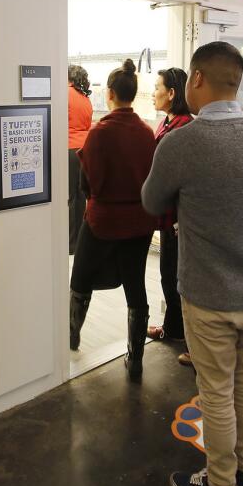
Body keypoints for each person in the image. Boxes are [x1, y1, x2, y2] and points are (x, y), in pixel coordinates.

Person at [142, 41, 243, 486]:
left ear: (197, 80)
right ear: (238, 82)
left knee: (216, 391)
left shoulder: (181, 142)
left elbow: (150, 200)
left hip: (211, 295)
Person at [68, 59, 157, 380]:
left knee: (80, 278)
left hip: (103, 220)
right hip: (139, 221)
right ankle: (135, 358)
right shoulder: (148, 133)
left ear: (109, 94)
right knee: (136, 287)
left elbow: (86, 183)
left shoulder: (100, 133)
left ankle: (72, 336)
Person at [146, 67, 193, 345]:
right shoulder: (167, 123)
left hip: (178, 221)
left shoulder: (185, 126)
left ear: (172, 93)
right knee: (167, 275)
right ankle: (173, 329)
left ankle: (183, 334)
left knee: (176, 278)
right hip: (165, 217)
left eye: (157, 87)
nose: (153, 93)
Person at [67, 65, 93, 254]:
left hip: (67, 148)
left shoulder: (64, 94)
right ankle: (78, 243)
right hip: (84, 149)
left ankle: (70, 243)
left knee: (69, 197)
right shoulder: (85, 99)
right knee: (81, 196)